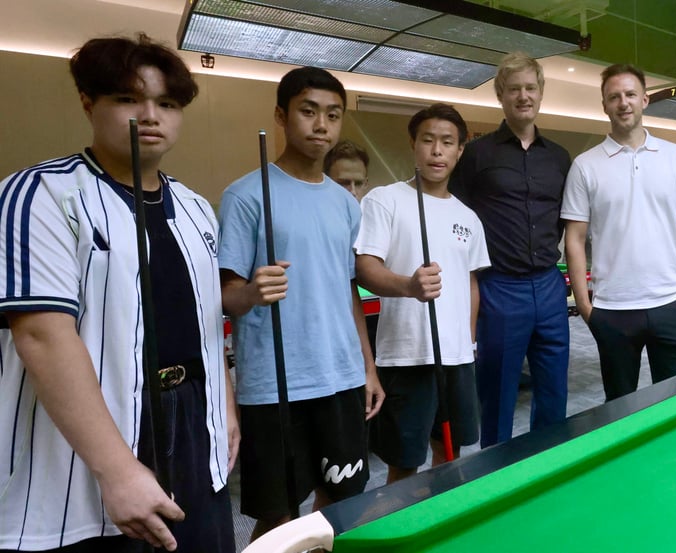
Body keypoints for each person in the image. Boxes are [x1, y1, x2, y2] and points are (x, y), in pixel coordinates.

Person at [0, 34, 237, 552]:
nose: (151, 116)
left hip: (193, 416)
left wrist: (226, 408)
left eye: (168, 104)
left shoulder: (197, 207)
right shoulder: (41, 193)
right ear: (90, 102)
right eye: (130, 98)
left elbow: (205, 320)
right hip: (93, 432)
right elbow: (41, 334)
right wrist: (118, 469)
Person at [218, 66, 383, 540]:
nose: (321, 125)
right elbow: (226, 297)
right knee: (279, 518)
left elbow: (347, 289)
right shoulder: (245, 195)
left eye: (333, 115)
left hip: (341, 377)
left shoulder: (346, 204)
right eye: (308, 111)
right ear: (281, 115)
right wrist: (250, 292)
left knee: (339, 504)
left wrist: (367, 369)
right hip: (275, 385)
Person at [355, 103, 489, 483]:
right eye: (428, 140)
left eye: (447, 142)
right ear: (413, 144)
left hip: (457, 356)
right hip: (406, 354)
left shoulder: (468, 217)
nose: (436, 151)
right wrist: (409, 287)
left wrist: (469, 342)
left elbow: (471, 284)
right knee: (405, 461)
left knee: (450, 452)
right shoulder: (385, 200)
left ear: (460, 150)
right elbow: (366, 266)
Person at [449, 52, 571, 446]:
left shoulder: (559, 157)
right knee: (497, 392)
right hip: (500, 287)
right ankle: (495, 474)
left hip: (551, 284)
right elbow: (455, 220)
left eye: (530, 88)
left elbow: (567, 219)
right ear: (501, 95)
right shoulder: (477, 156)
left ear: (540, 93)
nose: (523, 96)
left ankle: (547, 467)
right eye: (514, 88)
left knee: (554, 389)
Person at [562, 64, 676, 402]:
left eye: (629, 95)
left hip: (672, 302)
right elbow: (575, 239)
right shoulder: (585, 165)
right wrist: (585, 305)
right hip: (612, 309)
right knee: (619, 407)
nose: (623, 103)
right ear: (604, 105)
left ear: (644, 100)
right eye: (614, 97)